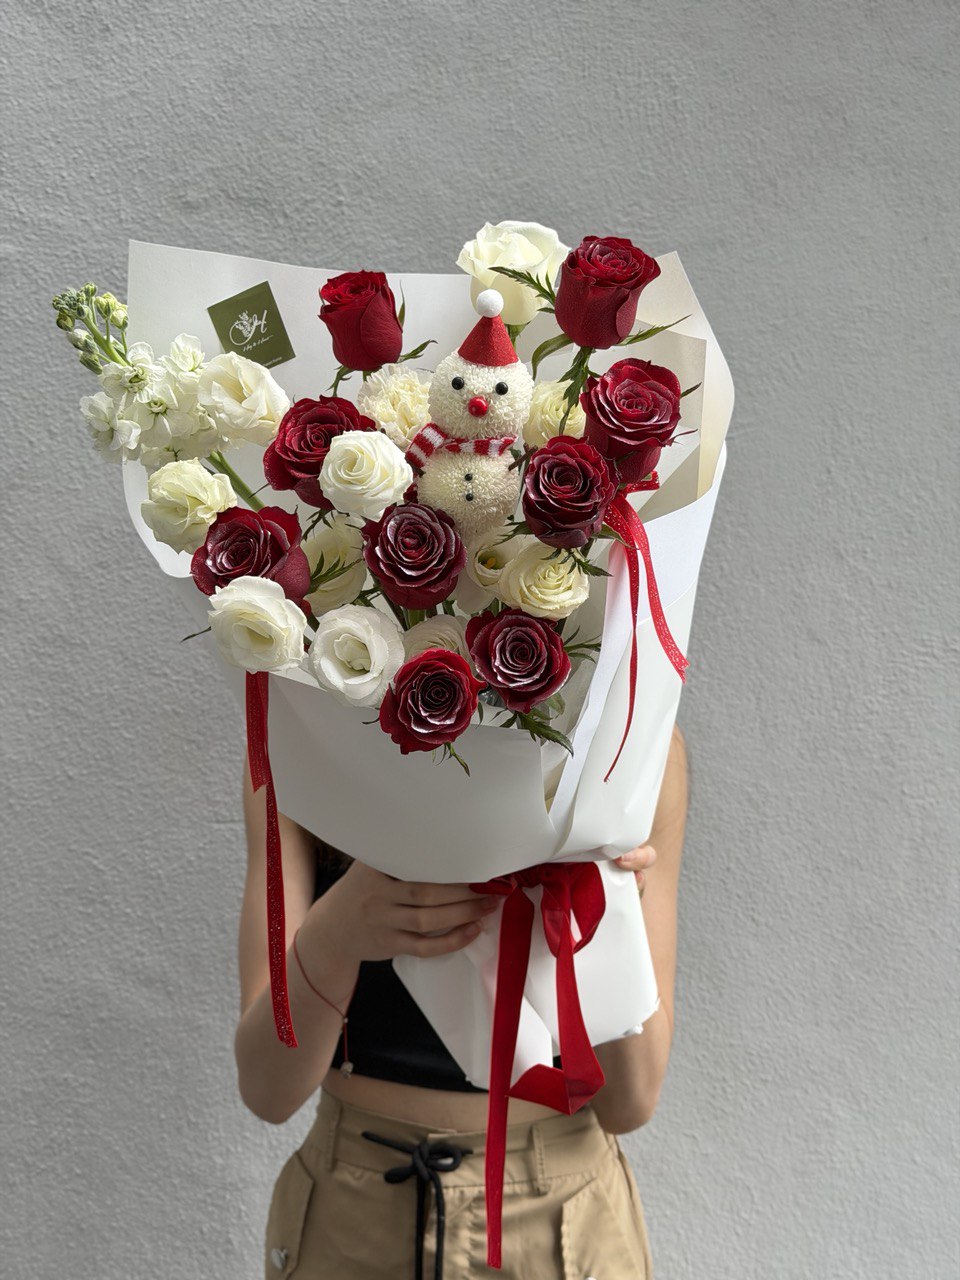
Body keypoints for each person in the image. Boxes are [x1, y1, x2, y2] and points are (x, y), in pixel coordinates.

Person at [235, 725, 689, 1279]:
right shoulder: (298, 733)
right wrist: (334, 934)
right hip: (354, 1216)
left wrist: (607, 909)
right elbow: (267, 1089)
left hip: (559, 1217)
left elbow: (631, 1102)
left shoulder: (630, 737)